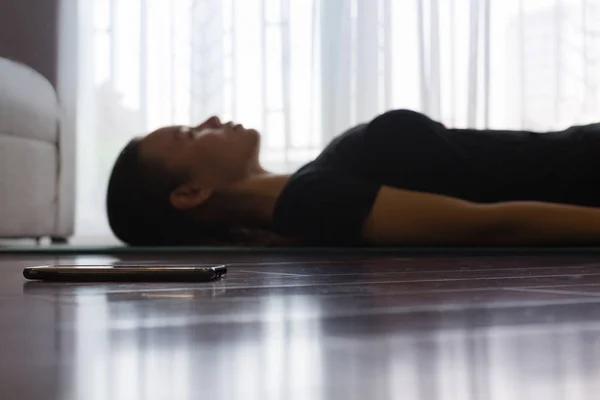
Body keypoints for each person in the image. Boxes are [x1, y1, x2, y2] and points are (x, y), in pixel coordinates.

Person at [106, 109, 600, 247]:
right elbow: (484, 224)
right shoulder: (311, 202)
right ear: (191, 193)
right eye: (191, 134)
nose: (211, 119)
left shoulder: (308, 187)